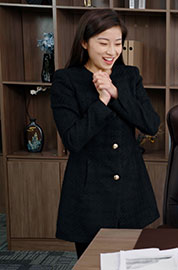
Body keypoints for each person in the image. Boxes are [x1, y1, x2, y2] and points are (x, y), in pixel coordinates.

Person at [50, 9, 160, 258]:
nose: (112, 51)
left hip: (131, 191)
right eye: (103, 43)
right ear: (84, 42)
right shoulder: (66, 81)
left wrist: (118, 93)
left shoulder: (129, 76)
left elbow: (151, 124)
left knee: (131, 261)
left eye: (118, 43)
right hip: (90, 195)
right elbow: (73, 139)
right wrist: (102, 101)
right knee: (93, 263)